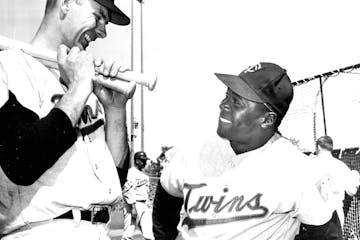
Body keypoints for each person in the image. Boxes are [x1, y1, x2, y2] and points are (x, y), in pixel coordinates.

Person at [152, 62, 339, 240]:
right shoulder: (194, 150)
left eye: (237, 102)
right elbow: (166, 197)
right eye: (227, 96)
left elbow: (326, 232)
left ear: (267, 119)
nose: (223, 105)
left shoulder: (297, 169)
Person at [0, 0, 133, 239]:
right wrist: (79, 88)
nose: (103, 31)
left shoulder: (81, 81)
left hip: (100, 229)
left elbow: (113, 181)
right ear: (67, 3)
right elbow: (21, 161)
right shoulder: (10, 66)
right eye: (99, 16)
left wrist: (115, 110)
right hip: (43, 229)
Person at [297, 136, 360, 240]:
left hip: (310, 215)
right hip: (334, 215)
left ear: (318, 147)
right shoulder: (340, 165)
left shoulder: (307, 164)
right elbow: (352, 191)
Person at [122, 151, 154, 240]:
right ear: (137, 161)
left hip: (144, 205)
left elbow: (146, 192)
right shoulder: (131, 172)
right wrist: (132, 206)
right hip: (133, 204)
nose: (145, 162)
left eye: (145, 160)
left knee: (149, 234)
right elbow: (127, 190)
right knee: (128, 234)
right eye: (142, 160)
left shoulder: (144, 175)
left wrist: (148, 204)